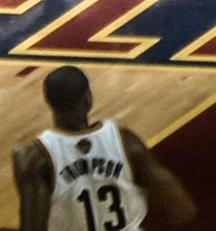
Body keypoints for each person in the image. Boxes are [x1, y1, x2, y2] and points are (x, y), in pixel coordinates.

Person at [12, 64, 197, 231]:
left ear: (49, 102)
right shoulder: (125, 141)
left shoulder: (33, 157)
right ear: (88, 99)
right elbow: (181, 209)